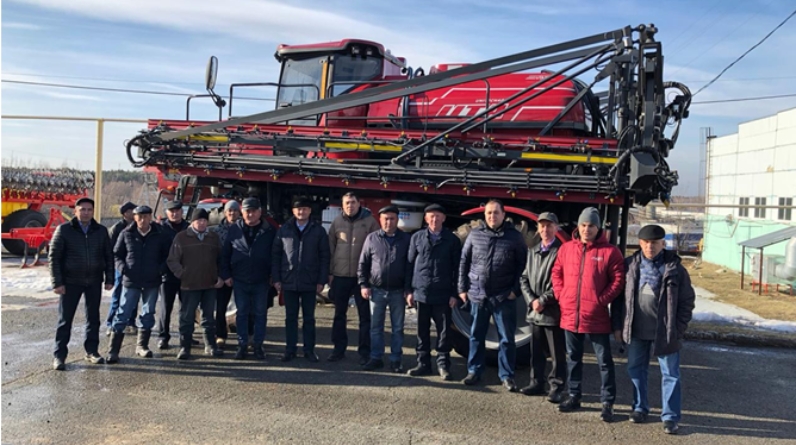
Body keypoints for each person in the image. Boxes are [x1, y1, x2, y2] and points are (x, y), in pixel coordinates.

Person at [613, 224, 696, 435]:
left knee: (670, 375)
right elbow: (619, 300)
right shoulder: (629, 265)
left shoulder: (674, 268)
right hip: (636, 330)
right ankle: (639, 408)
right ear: (640, 243)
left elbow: (687, 301)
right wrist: (618, 326)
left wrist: (678, 328)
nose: (650, 246)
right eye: (646, 242)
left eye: (655, 243)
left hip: (665, 332)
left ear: (662, 244)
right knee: (635, 369)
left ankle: (670, 417)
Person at [551, 207, 625, 422]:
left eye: (591, 225)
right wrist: (561, 295)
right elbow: (556, 272)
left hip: (596, 316)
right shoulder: (566, 249)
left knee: (604, 362)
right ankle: (574, 395)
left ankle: (607, 402)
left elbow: (618, 280)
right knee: (573, 358)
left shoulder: (610, 252)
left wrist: (601, 300)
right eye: (583, 225)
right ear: (578, 226)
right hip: (570, 314)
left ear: (597, 227)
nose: (586, 229)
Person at [458, 199, 527, 391]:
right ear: (484, 215)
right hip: (478, 295)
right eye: (489, 213)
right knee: (476, 336)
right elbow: (464, 261)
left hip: (503, 296)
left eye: (496, 212)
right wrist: (462, 288)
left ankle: (507, 375)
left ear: (504, 215)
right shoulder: (475, 234)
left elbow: (523, 266)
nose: (492, 216)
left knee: (506, 338)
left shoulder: (514, 237)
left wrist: (515, 291)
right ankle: (474, 370)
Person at [49, 197, 114, 370]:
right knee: (65, 320)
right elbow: (54, 257)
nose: (86, 213)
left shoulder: (100, 231)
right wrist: (57, 282)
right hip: (70, 281)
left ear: (93, 212)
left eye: (89, 210)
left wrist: (109, 278)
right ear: (75, 211)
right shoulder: (64, 230)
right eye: (82, 209)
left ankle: (92, 351)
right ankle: (59, 355)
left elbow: (108, 256)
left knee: (93, 318)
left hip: (94, 280)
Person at [108, 205, 170, 363]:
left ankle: (142, 346)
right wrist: (123, 269)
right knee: (123, 312)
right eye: (140, 217)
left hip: (152, 281)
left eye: (146, 216)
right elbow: (116, 254)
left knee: (148, 313)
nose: (143, 220)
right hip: (131, 280)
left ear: (150, 217)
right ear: (134, 218)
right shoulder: (126, 233)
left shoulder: (159, 234)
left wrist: (160, 270)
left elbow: (167, 255)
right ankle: (113, 350)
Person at [406, 204, 461, 380]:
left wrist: (454, 293)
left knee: (444, 332)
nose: (434, 219)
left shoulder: (452, 240)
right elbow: (409, 265)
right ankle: (423, 364)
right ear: (425, 218)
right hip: (421, 292)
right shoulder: (417, 237)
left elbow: (457, 269)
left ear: (444, 218)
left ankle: (443, 365)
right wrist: (409, 290)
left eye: (438, 216)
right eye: (431, 216)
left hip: (443, 294)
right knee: (422, 332)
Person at [272, 198, 330, 363]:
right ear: (293, 211)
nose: (301, 212)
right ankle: (290, 350)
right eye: (298, 209)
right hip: (289, 280)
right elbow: (276, 255)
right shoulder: (284, 230)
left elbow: (324, 257)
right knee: (290, 318)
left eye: (305, 209)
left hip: (309, 281)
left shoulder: (318, 231)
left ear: (310, 211)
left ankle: (309, 350)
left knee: (309, 319)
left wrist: (321, 280)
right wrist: (276, 278)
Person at [327, 192, 380, 364]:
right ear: (342, 205)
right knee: (339, 315)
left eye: (353, 202)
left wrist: (371, 275)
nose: (350, 206)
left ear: (359, 204)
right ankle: (338, 350)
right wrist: (330, 273)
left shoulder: (370, 222)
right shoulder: (337, 222)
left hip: (361, 278)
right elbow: (330, 248)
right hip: (340, 276)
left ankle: (365, 352)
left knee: (365, 317)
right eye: (347, 203)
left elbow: (376, 250)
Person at [358, 205, 412, 373]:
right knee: (376, 328)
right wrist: (363, 284)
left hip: (398, 292)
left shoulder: (406, 239)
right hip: (376, 291)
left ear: (397, 220)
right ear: (380, 220)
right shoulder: (372, 238)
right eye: (385, 219)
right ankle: (376, 358)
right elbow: (363, 263)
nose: (389, 222)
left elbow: (410, 266)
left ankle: (396, 360)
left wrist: (408, 289)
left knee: (398, 328)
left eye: (392, 219)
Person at [519, 212, 566, 402]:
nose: (545, 229)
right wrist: (531, 300)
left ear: (556, 228)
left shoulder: (561, 252)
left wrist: (543, 300)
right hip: (535, 310)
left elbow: (562, 282)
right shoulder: (532, 251)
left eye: (549, 226)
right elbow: (524, 278)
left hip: (552, 311)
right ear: (538, 229)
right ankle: (536, 382)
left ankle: (557, 387)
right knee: (536, 351)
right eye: (542, 226)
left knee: (557, 354)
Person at [220, 197, 276, 360]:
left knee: (260, 313)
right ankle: (242, 345)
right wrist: (226, 275)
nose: (250, 214)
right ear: (242, 213)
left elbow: (276, 255)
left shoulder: (269, 230)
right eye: (247, 211)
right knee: (242, 313)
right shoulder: (234, 229)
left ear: (260, 212)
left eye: (253, 211)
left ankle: (258, 345)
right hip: (240, 279)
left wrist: (274, 276)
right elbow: (226, 254)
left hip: (261, 279)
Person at [167, 209, 225, 359]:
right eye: (199, 220)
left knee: (208, 318)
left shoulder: (213, 237)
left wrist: (220, 276)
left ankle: (210, 346)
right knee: (186, 318)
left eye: (204, 220)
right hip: (189, 285)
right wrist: (183, 274)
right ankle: (185, 347)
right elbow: (172, 260)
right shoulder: (181, 237)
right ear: (193, 222)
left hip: (209, 284)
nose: (202, 223)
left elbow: (221, 259)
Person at [155, 200, 190, 350]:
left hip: (186, 274)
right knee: (165, 308)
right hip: (167, 275)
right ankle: (163, 337)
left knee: (186, 309)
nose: (174, 214)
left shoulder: (189, 228)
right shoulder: (160, 229)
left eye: (177, 211)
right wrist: (160, 269)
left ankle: (185, 336)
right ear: (167, 213)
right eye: (171, 211)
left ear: (182, 212)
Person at [212, 200, 241, 348]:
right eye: (230, 210)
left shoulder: (244, 229)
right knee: (221, 307)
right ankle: (220, 335)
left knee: (244, 307)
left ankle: (245, 336)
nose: (232, 213)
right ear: (225, 213)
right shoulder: (216, 231)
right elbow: (214, 254)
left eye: (235, 210)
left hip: (240, 274)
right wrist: (220, 274)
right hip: (222, 274)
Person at [106, 201, 137, 335]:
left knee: (134, 296)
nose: (134, 214)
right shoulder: (117, 228)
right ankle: (111, 323)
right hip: (120, 267)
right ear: (125, 213)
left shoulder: (138, 226)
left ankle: (131, 322)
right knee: (118, 295)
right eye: (131, 211)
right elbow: (111, 250)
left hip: (135, 267)